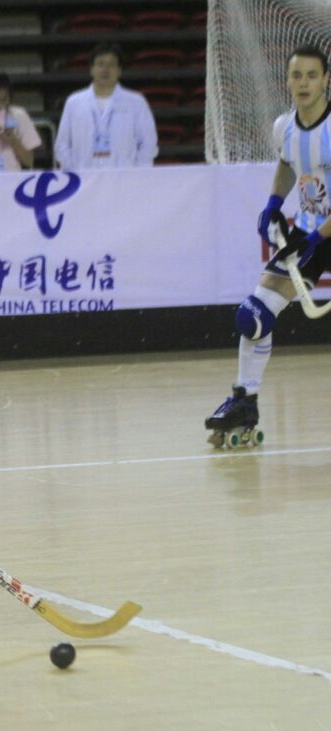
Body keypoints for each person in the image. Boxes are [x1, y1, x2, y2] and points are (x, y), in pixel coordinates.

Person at [206, 44, 331, 447]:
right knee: (254, 315)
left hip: (319, 235)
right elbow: (287, 162)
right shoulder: (285, 127)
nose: (304, 83)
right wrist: (274, 204)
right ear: (288, 80)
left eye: (312, 75)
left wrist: (316, 238)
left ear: (326, 80)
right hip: (311, 233)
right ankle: (245, 400)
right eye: (297, 75)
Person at [54, 43, 158, 170]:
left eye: (111, 65)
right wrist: (74, 173)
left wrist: (137, 173)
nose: (105, 69)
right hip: (84, 177)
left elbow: (148, 143)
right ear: (91, 69)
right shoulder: (74, 102)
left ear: (119, 71)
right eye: (100, 64)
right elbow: (62, 145)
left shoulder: (136, 102)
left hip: (125, 177)